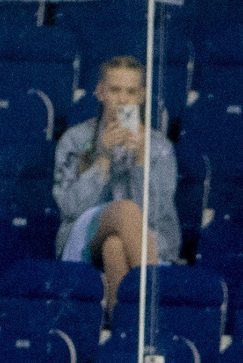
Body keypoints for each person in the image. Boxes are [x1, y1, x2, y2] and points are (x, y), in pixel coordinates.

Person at [52, 55, 180, 309]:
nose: (123, 100)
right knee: (125, 210)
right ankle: (153, 309)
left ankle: (121, 323)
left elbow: (154, 216)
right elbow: (69, 208)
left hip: (146, 239)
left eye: (131, 92)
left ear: (142, 96)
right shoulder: (75, 139)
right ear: (100, 92)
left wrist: (142, 159)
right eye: (115, 90)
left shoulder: (159, 147)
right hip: (84, 237)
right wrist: (103, 160)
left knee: (114, 247)